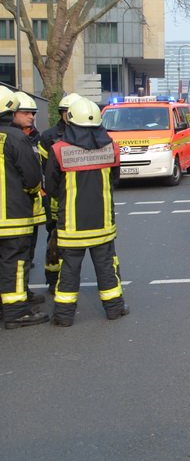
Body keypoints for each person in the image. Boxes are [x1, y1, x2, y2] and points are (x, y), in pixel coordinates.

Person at [44, 97, 127, 326]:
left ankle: (63, 316)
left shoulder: (59, 150)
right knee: (106, 268)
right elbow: (115, 181)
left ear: (70, 121)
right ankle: (114, 309)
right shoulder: (111, 147)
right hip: (102, 223)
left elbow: (50, 187)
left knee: (68, 272)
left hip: (71, 226)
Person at [0, 88, 49, 328]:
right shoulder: (15, 138)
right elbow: (31, 178)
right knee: (15, 262)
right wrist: (32, 191)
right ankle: (16, 312)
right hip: (12, 215)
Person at [39, 92, 82, 292]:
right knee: (54, 240)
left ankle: (69, 278)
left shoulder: (85, 134)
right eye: (67, 112)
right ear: (62, 113)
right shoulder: (49, 136)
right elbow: (44, 168)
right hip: (56, 199)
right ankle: (53, 278)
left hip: (78, 197)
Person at [11, 92, 47, 296]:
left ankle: (22, 291)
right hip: (15, 206)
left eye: (32, 113)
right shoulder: (13, 139)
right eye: (25, 112)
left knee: (27, 254)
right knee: (14, 257)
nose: (31, 117)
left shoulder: (35, 137)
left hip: (32, 206)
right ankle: (16, 301)